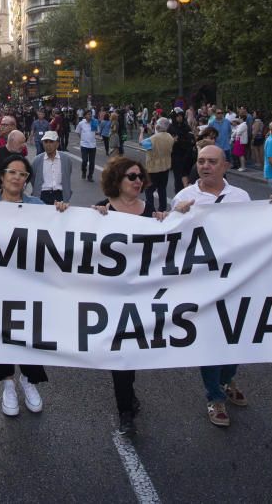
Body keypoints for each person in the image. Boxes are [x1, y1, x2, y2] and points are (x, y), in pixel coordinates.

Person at [170, 145, 272, 428]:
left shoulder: (240, 196)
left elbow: (255, 230)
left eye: (212, 162)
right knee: (211, 339)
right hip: (202, 282)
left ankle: (226, 378)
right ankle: (215, 396)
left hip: (235, 279)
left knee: (235, 336)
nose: (205, 166)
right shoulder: (184, 196)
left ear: (225, 166)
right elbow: (168, 240)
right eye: (201, 161)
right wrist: (177, 215)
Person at [0, 154, 67, 417]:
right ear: (1, 176)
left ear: (27, 180)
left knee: (29, 332)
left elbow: (60, 233)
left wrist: (62, 213)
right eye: (12, 172)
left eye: (22, 175)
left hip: (29, 284)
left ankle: (29, 380)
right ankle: (8, 384)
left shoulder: (37, 205)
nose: (16, 178)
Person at [91, 157, 162, 434]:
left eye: (139, 176)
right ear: (117, 180)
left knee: (132, 353)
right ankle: (124, 410)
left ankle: (129, 393)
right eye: (131, 176)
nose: (137, 181)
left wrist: (166, 220)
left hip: (143, 295)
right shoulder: (102, 209)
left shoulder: (151, 210)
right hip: (112, 296)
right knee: (120, 354)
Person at [31, 130, 73, 205]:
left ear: (57, 144)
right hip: (43, 194)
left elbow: (67, 175)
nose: (48, 145)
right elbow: (33, 179)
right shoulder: (37, 160)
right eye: (45, 142)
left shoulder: (66, 159)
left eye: (51, 141)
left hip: (60, 195)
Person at [140, 117, 174, 211]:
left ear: (158, 126)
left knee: (149, 190)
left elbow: (141, 143)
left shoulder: (152, 139)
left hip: (153, 169)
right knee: (162, 189)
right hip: (165, 167)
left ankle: (150, 210)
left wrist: (142, 132)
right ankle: (162, 209)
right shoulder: (170, 137)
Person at [169, 110, 196, 193]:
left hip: (188, 155)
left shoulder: (186, 126)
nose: (179, 117)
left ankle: (189, 193)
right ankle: (179, 195)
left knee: (189, 176)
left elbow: (191, 139)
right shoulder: (171, 128)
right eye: (177, 116)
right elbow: (170, 142)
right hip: (177, 155)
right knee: (178, 178)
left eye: (181, 115)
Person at [75, 112, 98, 181]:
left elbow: (97, 131)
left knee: (92, 162)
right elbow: (78, 132)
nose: (90, 116)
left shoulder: (94, 122)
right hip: (84, 145)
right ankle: (84, 171)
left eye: (90, 114)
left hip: (93, 145)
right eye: (88, 114)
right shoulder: (81, 123)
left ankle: (90, 176)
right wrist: (83, 139)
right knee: (84, 160)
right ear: (85, 116)